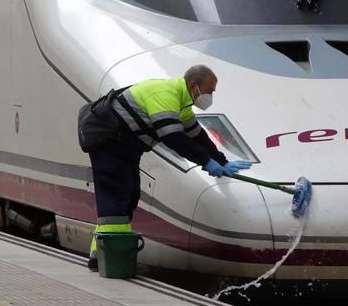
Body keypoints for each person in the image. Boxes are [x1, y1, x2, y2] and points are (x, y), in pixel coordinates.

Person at [87, 64, 251, 271]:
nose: (210, 96)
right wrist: (206, 162)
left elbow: (196, 135)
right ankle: (113, 263)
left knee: (127, 197)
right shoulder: (165, 94)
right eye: (210, 90)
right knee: (117, 199)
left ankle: (99, 258)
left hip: (124, 148)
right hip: (110, 146)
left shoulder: (181, 102)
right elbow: (173, 137)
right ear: (194, 85)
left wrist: (221, 160)